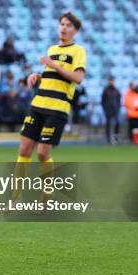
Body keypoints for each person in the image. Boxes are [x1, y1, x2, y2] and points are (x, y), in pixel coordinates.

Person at [18, 12, 85, 164]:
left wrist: (53, 65)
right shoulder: (52, 50)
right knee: (24, 149)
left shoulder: (78, 51)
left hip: (57, 109)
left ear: (75, 31)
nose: (64, 28)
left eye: (69, 25)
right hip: (38, 105)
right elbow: (52, 75)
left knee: (42, 153)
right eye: (62, 24)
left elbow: (78, 78)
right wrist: (37, 76)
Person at [101, 76, 121, 144]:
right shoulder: (105, 90)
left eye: (112, 80)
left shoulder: (117, 90)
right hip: (108, 110)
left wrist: (118, 108)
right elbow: (103, 101)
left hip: (115, 110)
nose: (111, 81)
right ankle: (108, 138)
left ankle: (115, 137)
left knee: (117, 123)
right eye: (110, 80)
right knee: (108, 124)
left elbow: (119, 100)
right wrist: (105, 109)